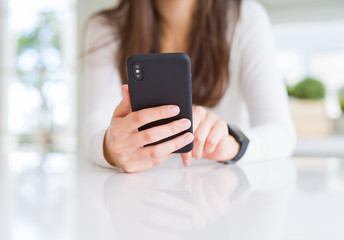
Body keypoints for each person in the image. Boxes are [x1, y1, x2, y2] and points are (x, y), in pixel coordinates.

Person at [83, 0, 296, 173]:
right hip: (135, 193)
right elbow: (93, 127)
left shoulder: (246, 18)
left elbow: (281, 131)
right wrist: (111, 147)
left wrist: (231, 144)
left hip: (219, 193)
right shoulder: (106, 28)